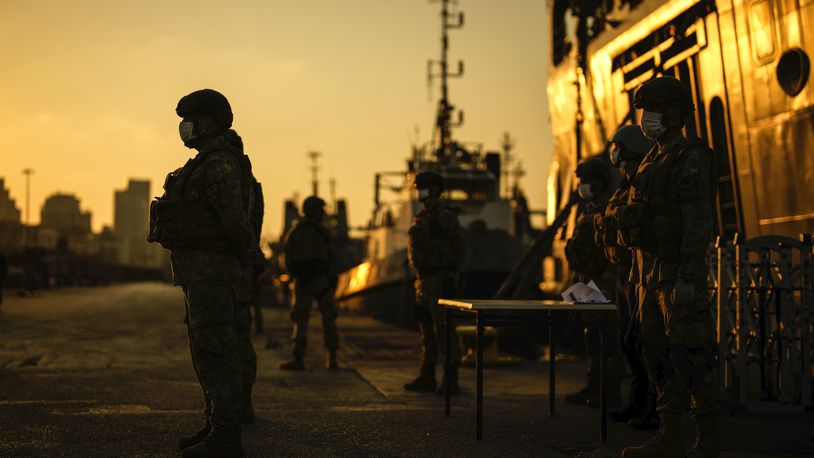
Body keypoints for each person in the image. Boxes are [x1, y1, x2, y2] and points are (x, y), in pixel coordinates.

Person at [148, 88, 263, 458]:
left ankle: (227, 435)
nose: (186, 127)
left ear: (208, 121)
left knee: (217, 351)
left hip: (214, 275)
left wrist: (248, 258)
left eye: (191, 119)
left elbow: (233, 220)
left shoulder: (218, 163)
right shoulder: (206, 162)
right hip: (202, 275)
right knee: (207, 350)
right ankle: (216, 424)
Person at [619, 76, 718, 458]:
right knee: (657, 354)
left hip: (676, 273)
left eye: (653, 111)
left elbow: (697, 224)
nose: (646, 119)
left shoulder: (690, 157)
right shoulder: (653, 157)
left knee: (691, 356)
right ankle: (669, 435)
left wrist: (689, 278)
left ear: (674, 114)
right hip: (649, 273)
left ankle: (707, 442)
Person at [594, 126, 659, 430]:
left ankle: (655, 407)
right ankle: (637, 400)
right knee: (628, 340)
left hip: (641, 271)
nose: (619, 163)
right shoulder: (624, 187)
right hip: (623, 272)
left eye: (620, 154)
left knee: (645, 340)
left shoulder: (645, 185)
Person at [564, 157, 625, 408]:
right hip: (586, 282)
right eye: (581, 182)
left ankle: (609, 392)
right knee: (591, 334)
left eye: (587, 182)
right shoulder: (588, 211)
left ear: (600, 182)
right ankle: (594, 386)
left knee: (608, 337)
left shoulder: (607, 210)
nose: (583, 186)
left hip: (602, 281)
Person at [404, 171, 466, 395]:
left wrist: (450, 274)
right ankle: (427, 375)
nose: (419, 191)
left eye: (423, 187)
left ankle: (451, 379)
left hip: (440, 280)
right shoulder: (422, 217)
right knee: (427, 331)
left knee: (445, 330)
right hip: (424, 281)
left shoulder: (444, 216)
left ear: (434, 189)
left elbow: (459, 247)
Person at [279, 196, 340, 371]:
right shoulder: (325, 232)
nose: (323, 214)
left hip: (303, 280)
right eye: (321, 210)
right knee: (328, 319)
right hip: (322, 281)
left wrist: (295, 275)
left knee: (300, 320)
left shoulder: (296, 232)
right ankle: (332, 358)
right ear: (315, 211)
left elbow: (288, 256)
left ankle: (298, 358)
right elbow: (334, 257)